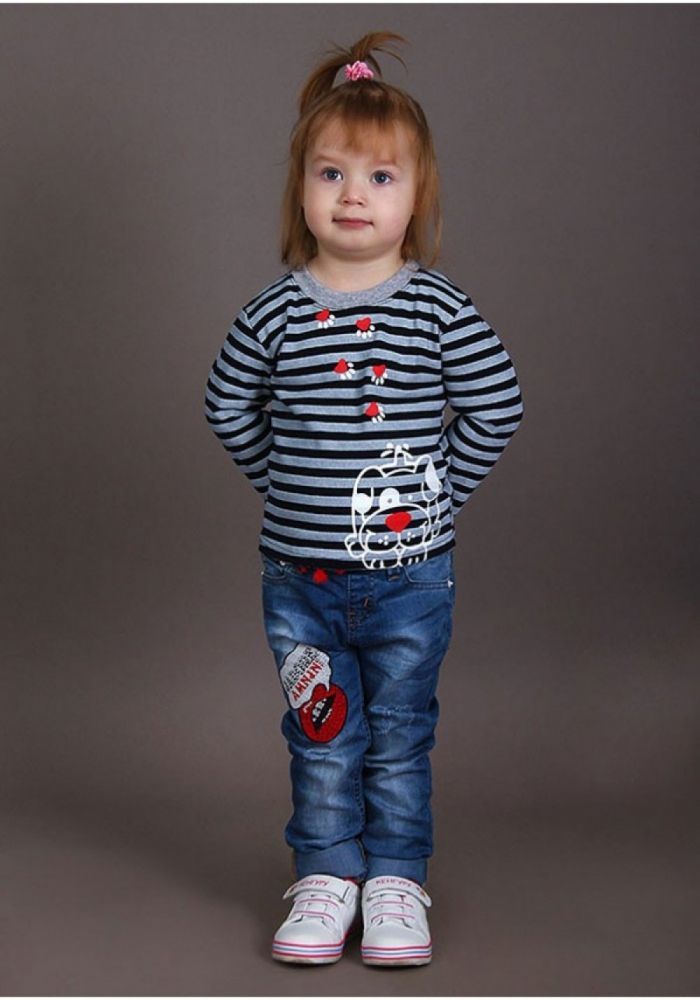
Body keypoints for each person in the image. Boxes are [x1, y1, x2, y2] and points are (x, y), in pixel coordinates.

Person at [204, 30, 524, 967]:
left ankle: (394, 877)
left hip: (410, 580)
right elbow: (226, 404)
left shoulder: (437, 309)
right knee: (321, 735)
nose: (354, 195)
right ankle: (326, 874)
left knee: (398, 734)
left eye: (381, 177)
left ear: (416, 197)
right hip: (299, 581)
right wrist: (284, 484)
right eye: (332, 173)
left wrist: (437, 494)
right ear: (301, 191)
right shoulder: (276, 310)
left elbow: (497, 404)